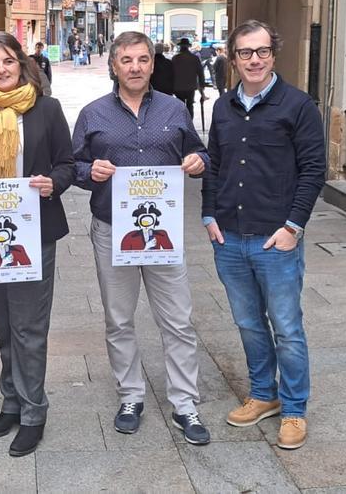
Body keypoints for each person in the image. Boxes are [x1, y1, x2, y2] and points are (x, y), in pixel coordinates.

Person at [71, 31, 212, 446]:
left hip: (163, 233)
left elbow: (202, 154)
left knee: (179, 321)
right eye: (126, 60)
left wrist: (196, 162)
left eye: (142, 59)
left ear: (153, 64)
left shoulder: (173, 109)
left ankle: (186, 403)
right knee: (119, 319)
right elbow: (72, 164)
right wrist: (88, 172)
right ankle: (130, 396)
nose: (134, 67)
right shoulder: (93, 114)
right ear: (113, 65)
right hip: (112, 230)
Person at [201, 19, 326, 451]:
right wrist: (208, 216)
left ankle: (293, 408)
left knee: (287, 327)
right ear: (232, 58)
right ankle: (263, 394)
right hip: (230, 237)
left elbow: (314, 170)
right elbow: (214, 163)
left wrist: (293, 227)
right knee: (249, 323)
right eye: (245, 53)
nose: (254, 60)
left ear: (274, 54)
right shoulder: (223, 107)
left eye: (262, 52)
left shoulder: (298, 106)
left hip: (277, 239)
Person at [0, 31, 75, 457]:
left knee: (29, 327)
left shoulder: (47, 109)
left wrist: (51, 183)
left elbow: (68, 163)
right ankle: (11, 401)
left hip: (34, 231)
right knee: (4, 326)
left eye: (8, 61)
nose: (1, 70)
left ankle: (33, 412)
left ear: (21, 64)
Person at [171, 38, 202, 117]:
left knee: (179, 106)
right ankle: (189, 123)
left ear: (180, 47)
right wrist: (202, 85)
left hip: (178, 87)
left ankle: (181, 123)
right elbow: (200, 73)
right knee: (189, 105)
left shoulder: (175, 58)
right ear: (188, 46)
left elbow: (171, 73)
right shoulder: (194, 58)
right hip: (190, 86)